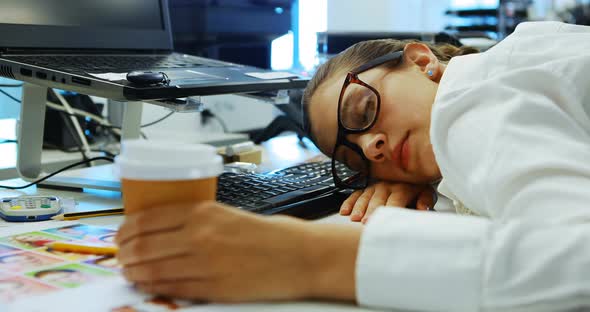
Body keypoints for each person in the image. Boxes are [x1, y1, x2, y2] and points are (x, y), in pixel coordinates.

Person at [116, 21, 590, 311]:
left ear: (421, 60)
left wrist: (306, 258)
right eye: (356, 159)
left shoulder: (468, 102)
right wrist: (440, 182)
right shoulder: (515, 65)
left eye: (363, 112)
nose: (374, 147)